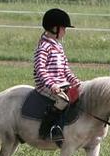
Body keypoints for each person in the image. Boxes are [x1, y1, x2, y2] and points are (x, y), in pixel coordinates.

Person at [33, 8, 81, 140]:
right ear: (55, 28)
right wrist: (52, 85)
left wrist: (75, 82)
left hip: (61, 84)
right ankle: (48, 128)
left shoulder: (59, 47)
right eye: (64, 28)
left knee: (77, 95)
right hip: (45, 86)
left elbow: (66, 70)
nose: (65, 32)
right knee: (63, 99)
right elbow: (40, 69)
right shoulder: (43, 47)